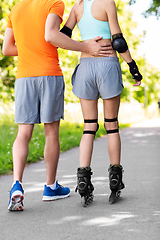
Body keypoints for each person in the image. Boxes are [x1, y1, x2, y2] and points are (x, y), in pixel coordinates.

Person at [2, 0, 112, 211]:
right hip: (49, 74)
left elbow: (7, 48)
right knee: (51, 133)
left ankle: (16, 185)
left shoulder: (15, 9)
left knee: (23, 133)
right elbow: (51, 35)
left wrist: (29, 48)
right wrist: (85, 46)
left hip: (24, 77)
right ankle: (50, 187)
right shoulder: (54, 3)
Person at [61, 0, 143, 205]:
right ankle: (115, 180)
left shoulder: (77, 7)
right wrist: (133, 66)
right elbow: (118, 41)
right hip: (107, 63)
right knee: (111, 124)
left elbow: (62, 36)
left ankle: (83, 180)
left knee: (89, 126)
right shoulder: (107, 2)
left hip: (85, 66)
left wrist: (82, 46)